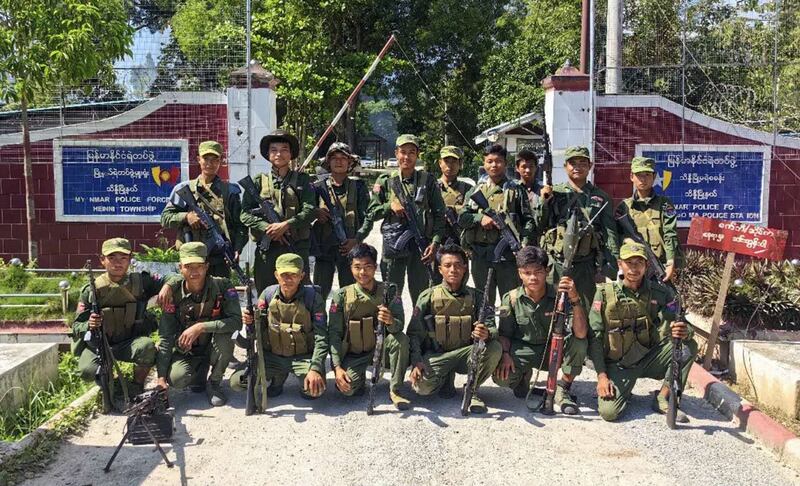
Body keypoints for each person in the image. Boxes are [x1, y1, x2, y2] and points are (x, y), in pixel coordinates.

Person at [587, 239, 698, 422]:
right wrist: (601, 376)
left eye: (639, 263)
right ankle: (623, 390)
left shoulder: (660, 293)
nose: (634, 268)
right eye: (629, 263)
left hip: (649, 357)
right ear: (619, 264)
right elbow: (595, 336)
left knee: (688, 346)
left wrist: (684, 330)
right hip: (619, 364)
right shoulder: (604, 293)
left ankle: (663, 396)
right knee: (609, 413)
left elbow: (680, 321)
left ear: (646, 265)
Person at [407, 244, 502, 414]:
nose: (453, 270)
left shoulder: (477, 296)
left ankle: (472, 390)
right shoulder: (428, 295)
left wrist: (486, 333)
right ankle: (444, 378)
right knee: (422, 388)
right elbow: (414, 334)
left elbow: (492, 328)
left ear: (465, 268)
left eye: (458, 265)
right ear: (440, 269)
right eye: (448, 265)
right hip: (437, 355)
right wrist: (416, 361)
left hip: (467, 355)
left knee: (494, 348)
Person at [492, 246, 588, 415]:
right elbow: (505, 333)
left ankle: (562, 387)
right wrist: (506, 354)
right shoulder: (512, 298)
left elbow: (580, 333)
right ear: (520, 273)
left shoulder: (562, 295)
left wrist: (575, 299)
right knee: (501, 377)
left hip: (554, 348)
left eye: (538, 271)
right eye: (527, 273)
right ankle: (522, 378)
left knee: (580, 343)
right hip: (524, 349)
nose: (533, 277)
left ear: (547, 271)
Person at [72, 238, 167, 396]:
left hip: (129, 343)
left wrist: (167, 287)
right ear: (102, 260)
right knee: (88, 371)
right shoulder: (91, 291)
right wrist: (89, 324)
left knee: (147, 347)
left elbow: (172, 278)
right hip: (101, 344)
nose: (118, 263)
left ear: (130, 260)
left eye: (123, 258)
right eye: (112, 258)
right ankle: (112, 385)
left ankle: (136, 386)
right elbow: (76, 326)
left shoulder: (141, 282)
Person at [358, 134, 446, 304]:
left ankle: (419, 331)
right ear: (396, 153)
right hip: (394, 246)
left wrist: (434, 243)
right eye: (403, 152)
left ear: (417, 154)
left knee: (422, 297)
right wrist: (389, 206)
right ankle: (392, 330)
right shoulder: (386, 181)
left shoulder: (427, 181)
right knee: (391, 295)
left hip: (421, 248)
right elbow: (371, 213)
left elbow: (439, 214)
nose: (407, 157)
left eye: (411, 152)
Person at [327, 243, 411, 409]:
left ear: (375, 267)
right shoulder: (342, 295)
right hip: (354, 353)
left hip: (382, 350)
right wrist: (337, 367)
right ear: (350, 268)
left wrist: (390, 320)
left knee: (400, 340)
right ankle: (358, 382)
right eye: (357, 267)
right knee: (347, 390)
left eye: (367, 267)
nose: (362, 273)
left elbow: (399, 327)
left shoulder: (390, 291)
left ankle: (395, 390)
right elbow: (335, 333)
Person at [234, 253, 328, 400]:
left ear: (301, 276)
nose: (288, 279)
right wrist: (250, 322)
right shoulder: (267, 295)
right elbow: (258, 330)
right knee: (238, 382)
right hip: (272, 357)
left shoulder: (313, 298)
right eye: (284, 274)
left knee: (314, 391)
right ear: (276, 275)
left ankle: (295, 379)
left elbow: (321, 337)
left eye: (293, 274)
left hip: (303, 358)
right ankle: (278, 378)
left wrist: (315, 368)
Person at [156, 242, 240, 406]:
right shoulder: (172, 294)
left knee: (225, 337)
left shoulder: (223, 286)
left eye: (199, 266)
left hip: (213, 345)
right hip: (187, 350)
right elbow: (166, 337)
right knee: (178, 379)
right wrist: (160, 378)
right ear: (180, 267)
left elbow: (236, 322)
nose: (194, 272)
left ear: (207, 266)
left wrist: (200, 327)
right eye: (188, 266)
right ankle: (199, 373)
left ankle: (214, 383)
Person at [540, 146, 618, 308]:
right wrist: (544, 203)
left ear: (590, 166)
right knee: (553, 309)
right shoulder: (555, 193)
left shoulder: (601, 197)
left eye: (583, 163)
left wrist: (611, 265)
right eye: (572, 163)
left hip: (586, 265)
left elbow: (610, 233)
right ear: (565, 166)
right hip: (557, 263)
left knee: (584, 308)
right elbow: (541, 224)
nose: (577, 167)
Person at [459, 144, 537, 304]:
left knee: (511, 301)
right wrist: (480, 218)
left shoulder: (516, 190)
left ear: (506, 163)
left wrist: (524, 244)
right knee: (483, 302)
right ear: (484, 163)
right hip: (481, 255)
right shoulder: (475, 191)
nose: (494, 165)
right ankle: (487, 329)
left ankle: (508, 329)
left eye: (499, 161)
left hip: (507, 257)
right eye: (490, 161)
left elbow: (528, 220)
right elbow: (462, 218)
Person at [240, 129, 315, 293]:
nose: (279, 154)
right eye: (274, 149)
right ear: (268, 154)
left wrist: (286, 225)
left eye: (284, 149)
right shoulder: (258, 181)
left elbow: (310, 210)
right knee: (265, 294)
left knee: (301, 293)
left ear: (291, 154)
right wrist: (267, 228)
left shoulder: (302, 180)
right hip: (268, 250)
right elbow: (244, 214)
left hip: (295, 246)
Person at [161, 140, 247, 278]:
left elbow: (240, 225)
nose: (210, 163)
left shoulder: (230, 191)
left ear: (221, 161)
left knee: (220, 296)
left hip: (219, 260)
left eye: (215, 159)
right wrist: (186, 217)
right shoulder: (185, 189)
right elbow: (165, 218)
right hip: (190, 259)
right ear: (198, 160)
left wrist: (237, 248)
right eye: (206, 158)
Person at [311, 142, 370, 298]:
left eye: (343, 158)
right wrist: (316, 212)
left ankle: (346, 323)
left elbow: (368, 217)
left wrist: (356, 239)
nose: (339, 161)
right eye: (334, 158)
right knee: (319, 294)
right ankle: (319, 322)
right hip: (324, 248)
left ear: (350, 162)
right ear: (328, 162)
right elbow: (304, 211)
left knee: (350, 295)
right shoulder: (318, 187)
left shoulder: (359, 187)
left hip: (349, 248)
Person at [616, 156, 681, 282]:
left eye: (647, 174)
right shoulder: (624, 207)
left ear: (654, 176)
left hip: (659, 265)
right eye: (639, 175)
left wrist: (670, 262)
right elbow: (615, 236)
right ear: (631, 177)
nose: (643, 179)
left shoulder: (664, 204)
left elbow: (670, 234)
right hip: (633, 268)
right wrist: (626, 240)